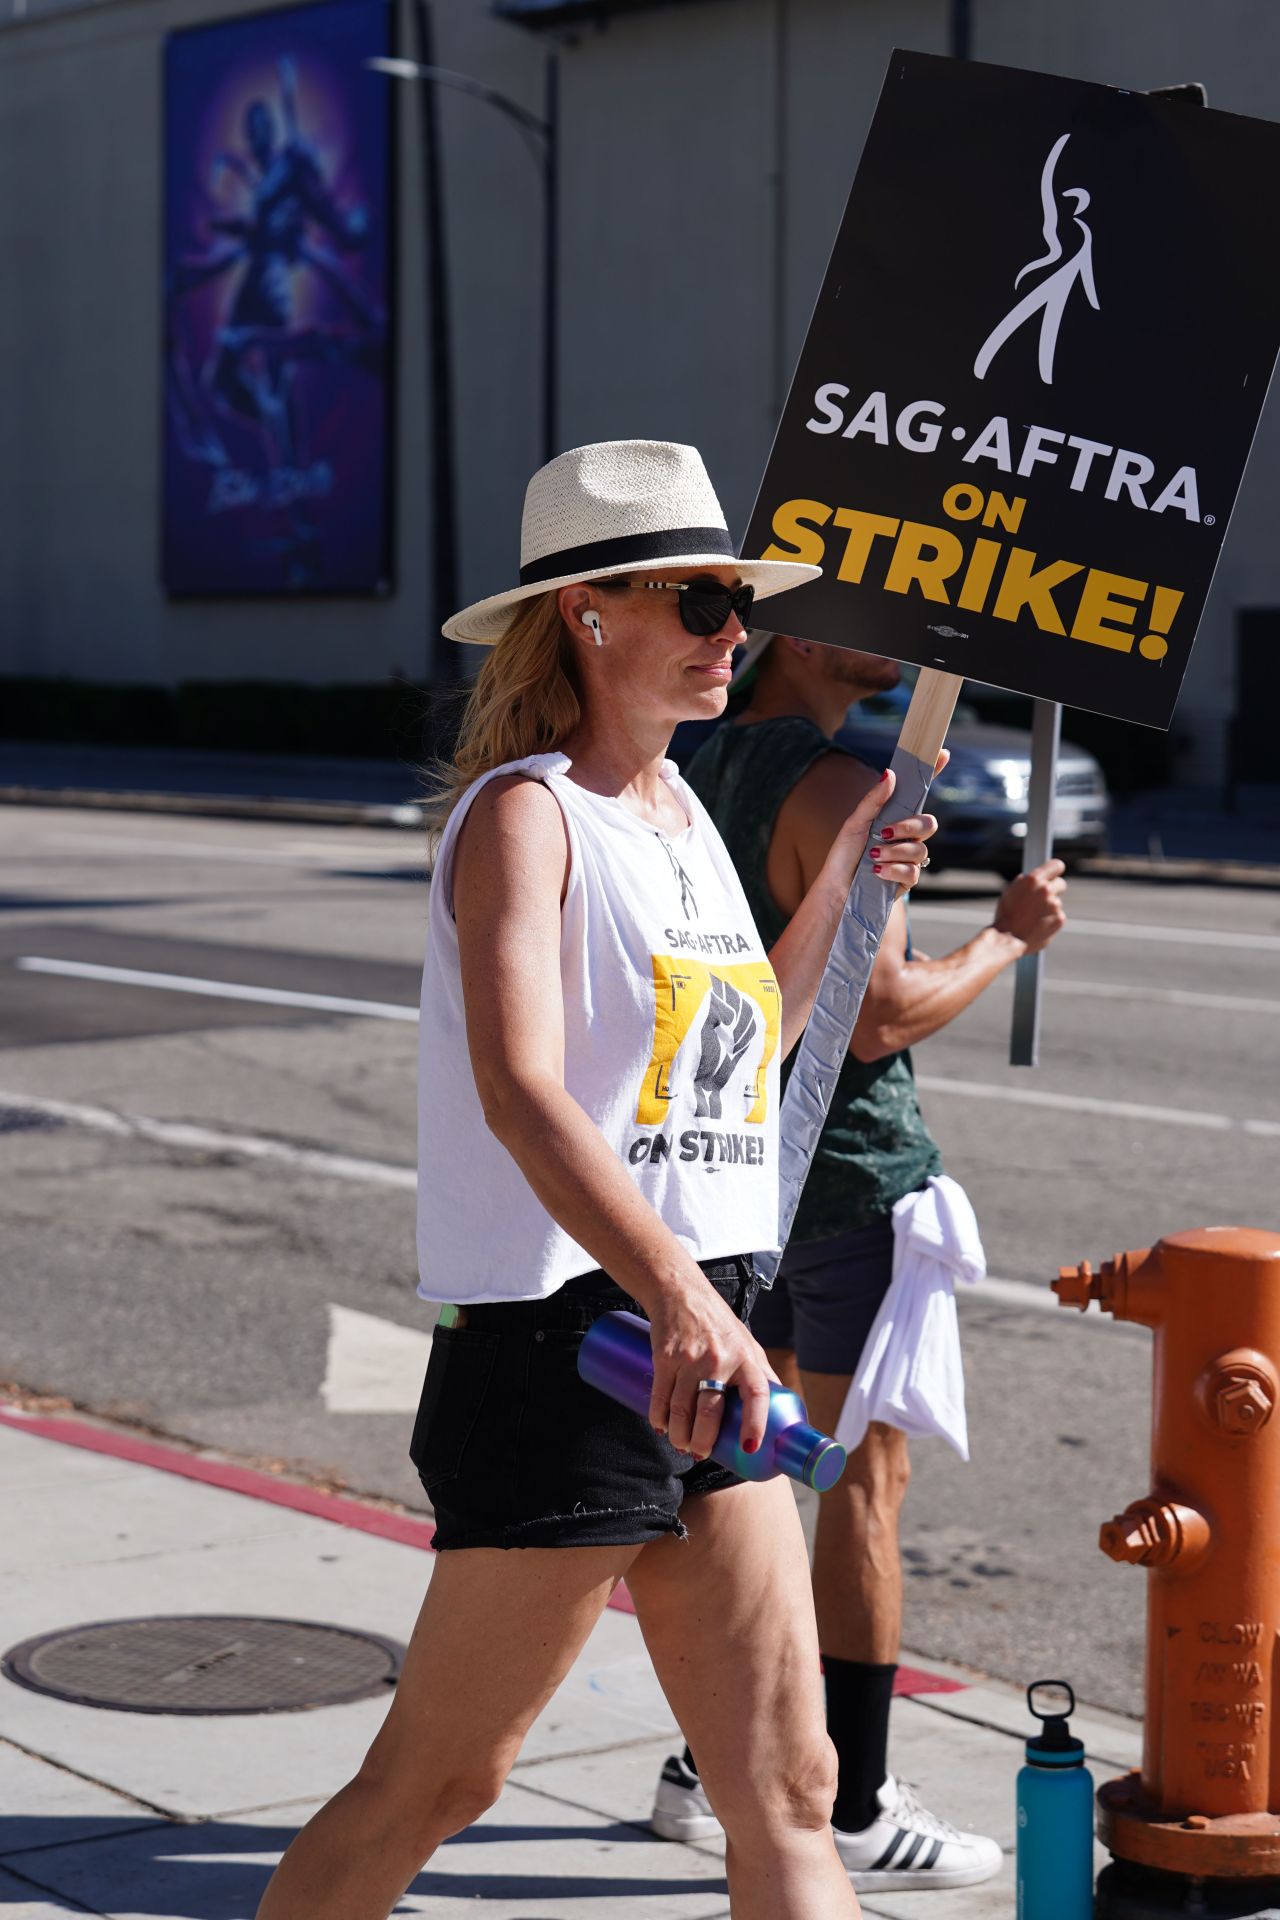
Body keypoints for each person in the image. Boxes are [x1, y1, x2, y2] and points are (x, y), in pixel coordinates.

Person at [255, 441, 939, 1920]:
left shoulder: (683, 813)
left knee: (788, 1788)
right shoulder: (525, 813)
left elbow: (738, 1041)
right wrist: (677, 1292)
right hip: (575, 1344)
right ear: (588, 611)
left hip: (709, 1327)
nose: (730, 630)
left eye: (736, 603)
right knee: (443, 1781)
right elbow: (522, 1091)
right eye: (700, 600)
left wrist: (847, 881)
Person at [650, 630, 1066, 1890]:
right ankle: (859, 1802)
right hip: (843, 1182)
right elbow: (875, 1013)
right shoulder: (832, 782)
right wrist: (1006, 939)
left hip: (734, 1186)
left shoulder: (693, 763)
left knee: (741, 1483)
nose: (893, 639)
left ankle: (698, 1766)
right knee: (858, 1488)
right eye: (862, 610)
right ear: (787, 633)